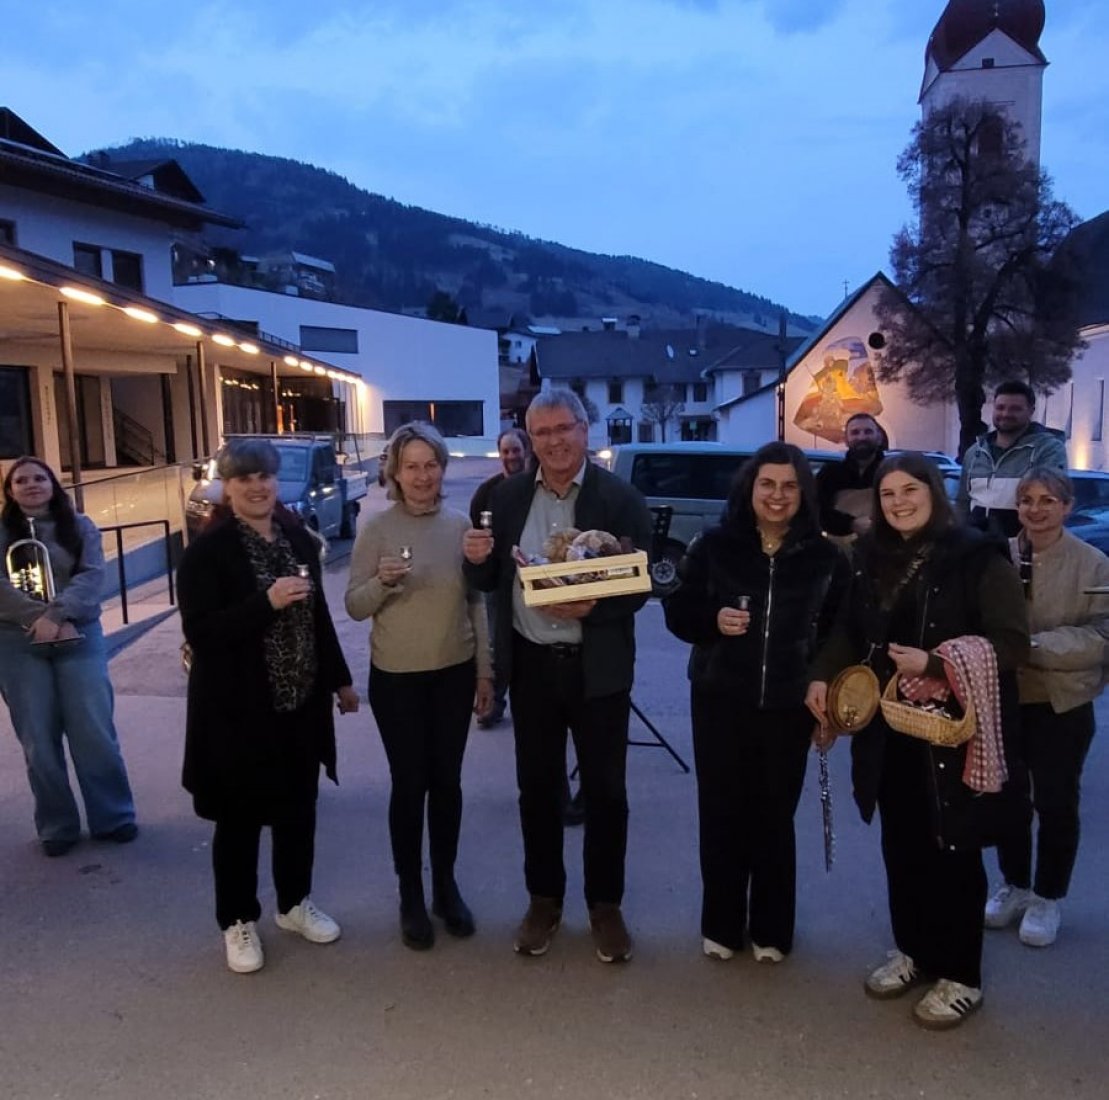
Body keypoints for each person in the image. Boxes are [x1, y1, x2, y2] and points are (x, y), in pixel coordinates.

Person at [807, 452, 1029, 1030]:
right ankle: (915, 951)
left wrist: (935, 662)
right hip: (888, 727)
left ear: (933, 491)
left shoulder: (976, 556)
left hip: (950, 730)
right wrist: (822, 677)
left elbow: (1011, 643)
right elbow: (846, 630)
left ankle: (961, 975)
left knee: (952, 850)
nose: (899, 502)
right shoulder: (868, 557)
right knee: (901, 844)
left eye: (910, 490)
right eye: (888, 494)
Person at [462, 389, 653, 964]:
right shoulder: (507, 496)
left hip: (599, 672)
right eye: (541, 432)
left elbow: (639, 584)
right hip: (534, 668)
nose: (554, 441)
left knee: (606, 794)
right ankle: (543, 901)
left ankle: (605, 906)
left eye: (564, 428)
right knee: (538, 792)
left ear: (584, 430)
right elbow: (490, 582)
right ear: (530, 440)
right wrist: (475, 560)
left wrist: (595, 608)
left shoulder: (619, 498)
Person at [178, 438, 359, 975]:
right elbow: (202, 633)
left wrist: (340, 681)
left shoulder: (296, 538)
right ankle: (237, 919)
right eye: (244, 478)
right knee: (239, 819)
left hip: (299, 702)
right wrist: (266, 602)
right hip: (237, 710)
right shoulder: (207, 552)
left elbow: (317, 616)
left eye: (265, 477)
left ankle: (293, 903)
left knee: (297, 811)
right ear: (227, 488)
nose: (257, 487)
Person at [663, 442, 849, 964]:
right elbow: (677, 612)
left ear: (803, 494)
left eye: (789, 486)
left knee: (774, 816)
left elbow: (840, 634)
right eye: (768, 484)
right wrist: (712, 620)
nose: (777, 495)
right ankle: (722, 924)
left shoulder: (826, 558)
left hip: (789, 704)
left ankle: (772, 928)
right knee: (721, 813)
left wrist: (826, 687)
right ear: (750, 488)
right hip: (719, 699)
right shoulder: (714, 545)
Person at [346, 422, 493, 951]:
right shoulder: (376, 529)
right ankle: (410, 891)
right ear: (395, 471)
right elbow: (354, 605)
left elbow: (476, 602)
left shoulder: (460, 526)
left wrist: (484, 671)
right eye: (411, 466)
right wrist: (382, 584)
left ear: (443, 469)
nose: (422, 476)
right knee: (410, 786)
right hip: (397, 679)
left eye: (431, 465)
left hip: (453, 672)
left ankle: (444, 887)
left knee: (447, 784)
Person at [983, 468, 1109, 947]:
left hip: (1062, 700)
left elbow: (1102, 634)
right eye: (1027, 500)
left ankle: (1048, 895)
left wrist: (1033, 647)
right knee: (1007, 799)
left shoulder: (1093, 564)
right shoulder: (997, 555)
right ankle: (1015, 884)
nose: (1035, 510)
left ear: (1067, 506)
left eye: (1047, 500)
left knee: (1056, 802)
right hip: (1005, 698)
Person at [0, 457, 137, 858]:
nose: (31, 485)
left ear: (53, 484)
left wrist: (57, 615)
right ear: (10, 491)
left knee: (93, 731)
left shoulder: (80, 526)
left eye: (39, 478)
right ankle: (57, 826)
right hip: (18, 640)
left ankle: (113, 816)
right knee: (38, 739)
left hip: (78, 633)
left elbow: (92, 575)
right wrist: (37, 618)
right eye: (21, 480)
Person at [469, 427, 532, 729]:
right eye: (505, 451)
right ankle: (494, 703)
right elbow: (474, 532)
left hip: (533, 578)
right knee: (496, 643)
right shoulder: (487, 492)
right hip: (498, 581)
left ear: (526, 452)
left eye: (516, 450)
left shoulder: (537, 488)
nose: (510, 456)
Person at [957, 380, 1068, 538]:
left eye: (1015, 409)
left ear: (1031, 411)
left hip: (1025, 546)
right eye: (1000, 407)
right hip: (978, 546)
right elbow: (963, 502)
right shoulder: (975, 453)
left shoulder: (1048, 450)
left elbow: (1049, 503)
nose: (1005, 414)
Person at [815, 413, 886, 541]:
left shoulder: (891, 472)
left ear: (879, 437)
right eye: (855, 432)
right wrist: (851, 524)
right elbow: (817, 510)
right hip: (838, 549)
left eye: (868, 432)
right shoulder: (830, 474)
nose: (862, 437)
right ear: (846, 439)